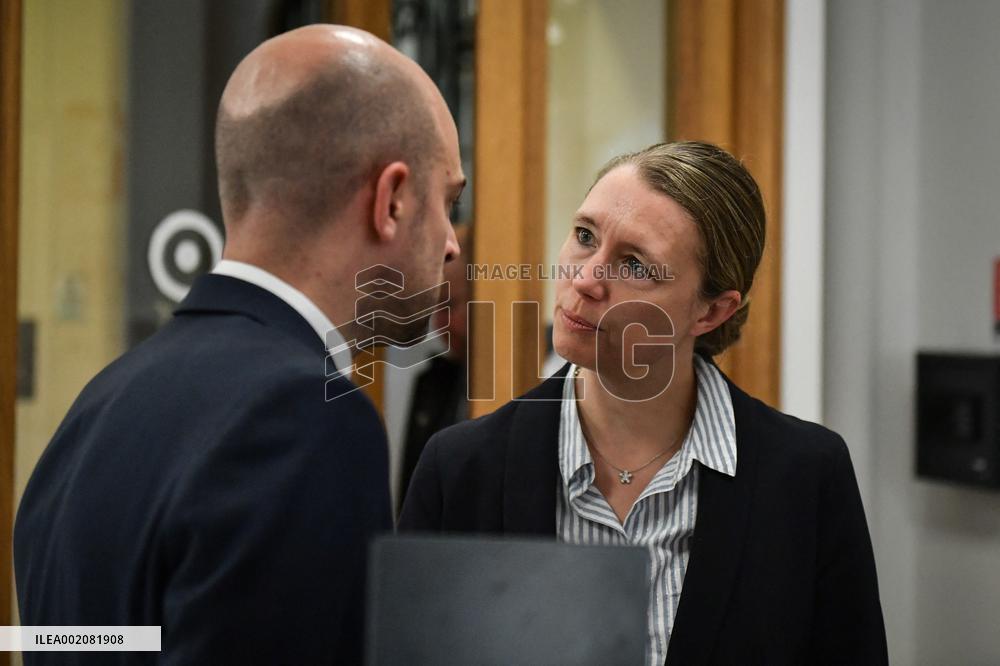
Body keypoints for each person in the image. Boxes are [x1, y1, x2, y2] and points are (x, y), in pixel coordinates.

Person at [14, 24, 463, 665]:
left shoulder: (98, 407)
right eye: (448, 200)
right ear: (390, 200)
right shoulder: (306, 421)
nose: (452, 243)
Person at [399, 142, 887, 665]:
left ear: (711, 312)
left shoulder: (807, 477)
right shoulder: (460, 469)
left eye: (635, 265)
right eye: (585, 236)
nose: (585, 279)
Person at [399, 224, 470, 509]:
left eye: (449, 306)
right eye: (435, 308)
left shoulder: (538, 378)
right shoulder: (431, 385)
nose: (439, 325)